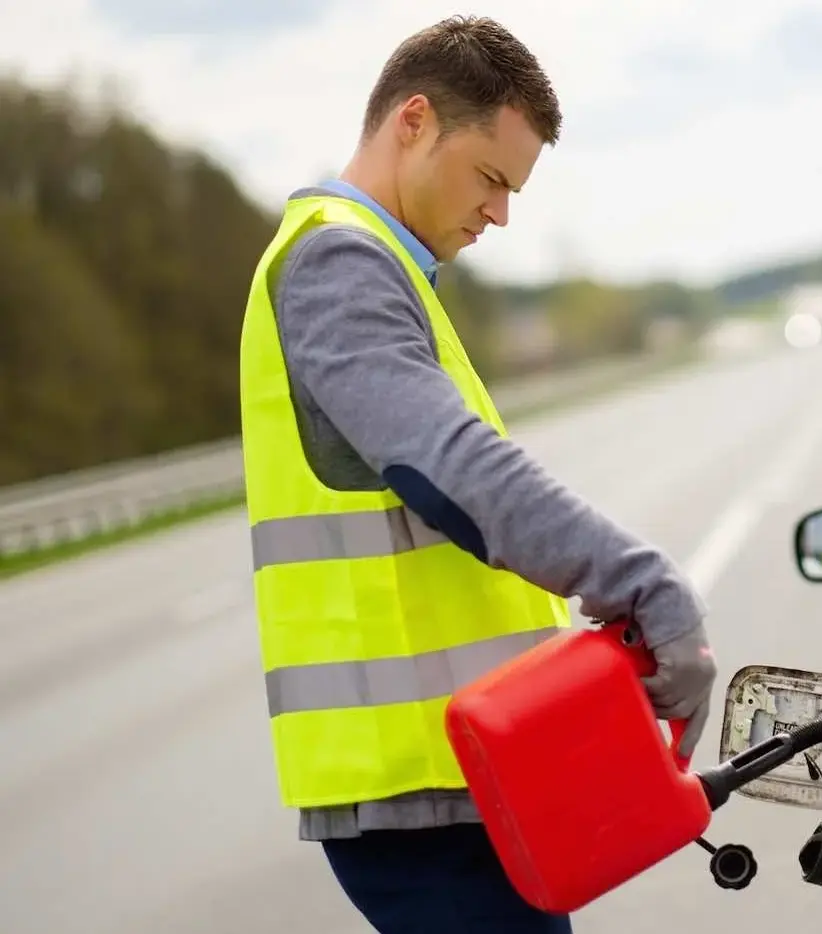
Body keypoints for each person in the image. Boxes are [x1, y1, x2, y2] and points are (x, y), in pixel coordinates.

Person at [236, 16, 717, 934]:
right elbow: (448, 468)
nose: (500, 213)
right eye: (492, 178)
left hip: (463, 776)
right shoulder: (339, 261)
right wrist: (639, 582)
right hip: (417, 788)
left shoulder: (380, 267)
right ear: (413, 120)